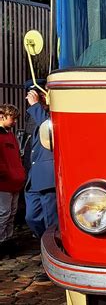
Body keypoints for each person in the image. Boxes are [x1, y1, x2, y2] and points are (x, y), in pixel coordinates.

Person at [24, 83, 58, 239]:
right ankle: (45, 241)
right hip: (34, 178)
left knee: (51, 220)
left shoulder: (52, 115)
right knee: (32, 217)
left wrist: (36, 106)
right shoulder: (36, 116)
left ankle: (51, 244)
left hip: (47, 178)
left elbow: (51, 132)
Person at [0, 104, 26, 257]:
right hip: (4, 181)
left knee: (11, 214)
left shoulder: (10, 135)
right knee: (4, 213)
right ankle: (2, 240)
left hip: (14, 180)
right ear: (2, 116)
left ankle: (7, 240)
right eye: (13, 118)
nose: (15, 122)